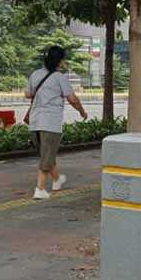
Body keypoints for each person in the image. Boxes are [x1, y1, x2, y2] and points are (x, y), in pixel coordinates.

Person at [26, 45, 87, 200]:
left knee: (47, 153)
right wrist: (81, 111)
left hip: (34, 121)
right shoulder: (60, 77)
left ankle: (57, 179)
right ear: (60, 61)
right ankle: (39, 189)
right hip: (50, 122)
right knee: (47, 156)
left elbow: (28, 94)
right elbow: (72, 98)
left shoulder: (35, 74)